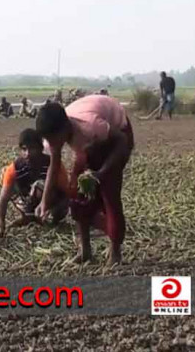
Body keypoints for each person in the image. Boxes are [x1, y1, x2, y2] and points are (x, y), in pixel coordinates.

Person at [35, 96, 134, 265]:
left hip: (117, 135)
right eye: (49, 141)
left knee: (109, 194)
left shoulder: (91, 126)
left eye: (53, 140)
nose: (52, 144)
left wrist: (101, 173)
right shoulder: (56, 134)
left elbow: (122, 142)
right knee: (77, 194)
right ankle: (85, 251)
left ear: (65, 128)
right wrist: (44, 202)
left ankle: (115, 251)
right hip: (91, 142)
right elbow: (55, 163)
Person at [0, 129, 68, 238]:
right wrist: (0, 225)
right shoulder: (15, 168)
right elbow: (3, 199)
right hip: (29, 200)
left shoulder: (53, 165)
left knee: (39, 185)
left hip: (52, 204)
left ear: (41, 148)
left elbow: (67, 195)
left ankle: (40, 216)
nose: (28, 153)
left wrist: (54, 210)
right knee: (4, 175)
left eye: (32, 148)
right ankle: (27, 214)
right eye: (24, 149)